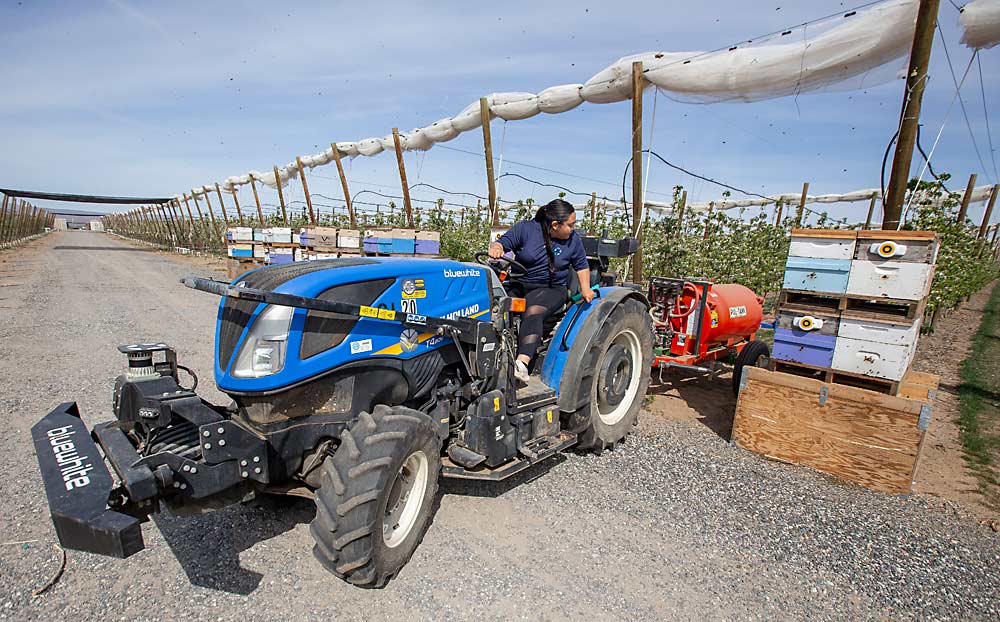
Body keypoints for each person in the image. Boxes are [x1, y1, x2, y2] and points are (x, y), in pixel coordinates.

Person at [488, 198, 593, 382]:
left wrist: (586, 289)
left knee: (533, 310)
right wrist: (497, 248)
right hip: (519, 284)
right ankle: (494, 355)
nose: (573, 228)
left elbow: (581, 265)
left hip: (551, 288)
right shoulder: (527, 229)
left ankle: (522, 364)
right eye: (570, 224)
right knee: (495, 305)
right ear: (555, 225)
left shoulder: (572, 240)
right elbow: (503, 242)